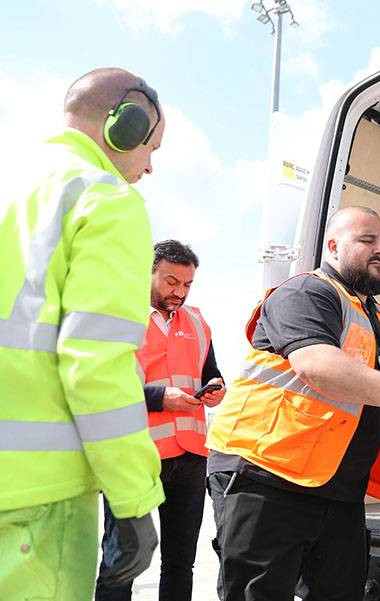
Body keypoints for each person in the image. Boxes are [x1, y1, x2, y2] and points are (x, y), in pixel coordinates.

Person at [205, 206, 380, 601]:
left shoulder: (369, 316)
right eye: (367, 240)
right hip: (267, 475)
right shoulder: (308, 291)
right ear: (333, 246)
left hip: (334, 488)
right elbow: (317, 365)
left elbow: (373, 395)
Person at [0, 67, 166, 600]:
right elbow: (93, 366)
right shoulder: (105, 199)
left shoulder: (15, 183)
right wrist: (135, 498)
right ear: (126, 126)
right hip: (37, 503)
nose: (150, 166)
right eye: (150, 148)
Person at [96, 240, 226, 601]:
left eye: (186, 285)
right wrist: (158, 398)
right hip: (133, 454)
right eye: (171, 282)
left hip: (189, 456)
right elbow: (100, 386)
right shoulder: (118, 318)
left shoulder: (198, 322)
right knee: (123, 561)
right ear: (147, 273)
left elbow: (209, 372)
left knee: (181, 564)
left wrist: (216, 386)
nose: (179, 292)